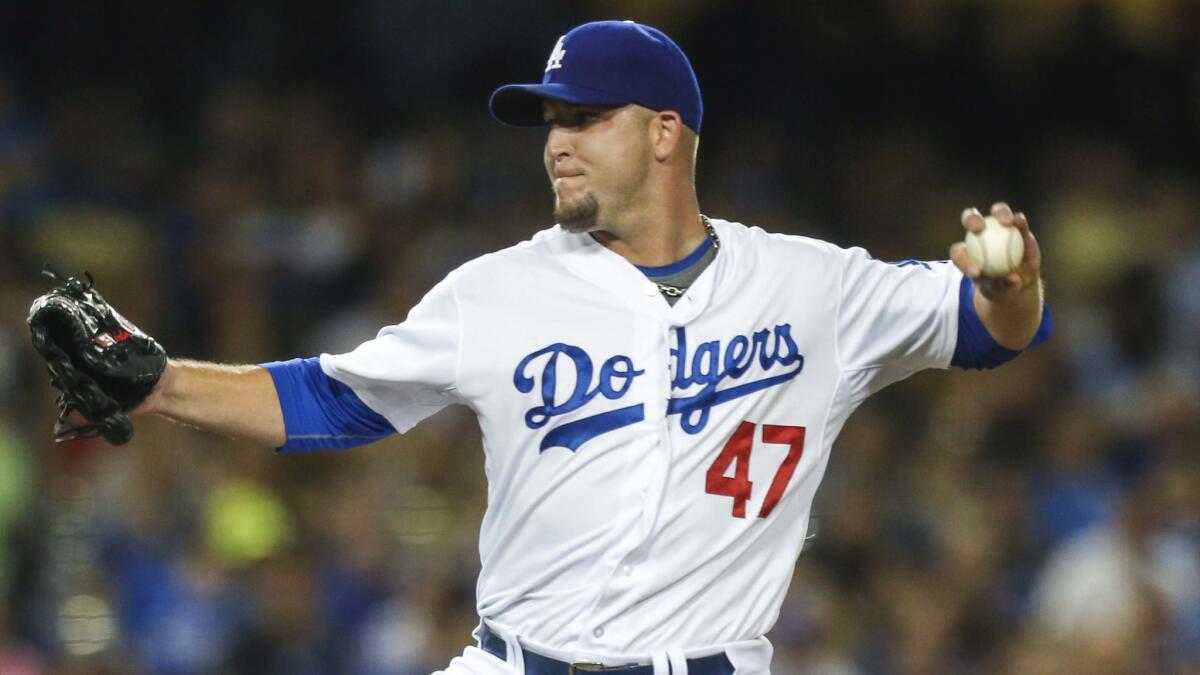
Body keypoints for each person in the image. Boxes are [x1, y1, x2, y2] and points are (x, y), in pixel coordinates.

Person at [134, 20, 1051, 675]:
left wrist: (1013, 285)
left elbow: (992, 331)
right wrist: (163, 383)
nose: (557, 145)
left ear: (665, 133)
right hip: (509, 660)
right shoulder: (495, 290)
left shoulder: (811, 284)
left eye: (584, 118)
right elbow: (335, 400)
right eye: (551, 124)